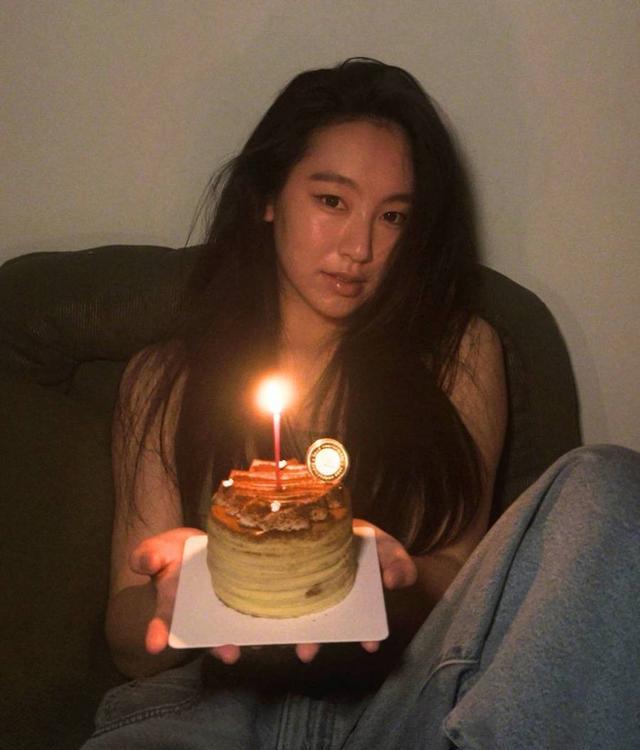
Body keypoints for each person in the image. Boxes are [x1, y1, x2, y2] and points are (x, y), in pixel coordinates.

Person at [81, 59, 640, 749]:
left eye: (393, 216)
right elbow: (128, 640)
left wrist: (392, 576)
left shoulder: (459, 353)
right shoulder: (164, 379)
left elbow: (460, 580)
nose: (360, 248)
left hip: (393, 708)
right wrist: (179, 592)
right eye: (332, 201)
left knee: (607, 480)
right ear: (267, 197)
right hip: (212, 709)